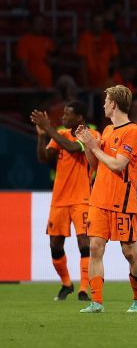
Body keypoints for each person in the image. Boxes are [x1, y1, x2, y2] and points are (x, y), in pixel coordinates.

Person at [76, 86, 137, 313]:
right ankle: (96, 302)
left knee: (129, 252)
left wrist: (95, 147)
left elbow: (117, 164)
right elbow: (95, 164)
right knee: (95, 248)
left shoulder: (132, 132)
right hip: (99, 200)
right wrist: (87, 144)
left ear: (114, 104)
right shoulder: (106, 131)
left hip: (122, 202)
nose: (103, 104)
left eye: (106, 101)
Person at [30, 102, 98, 302]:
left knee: (84, 243)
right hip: (59, 199)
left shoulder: (90, 135)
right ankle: (67, 283)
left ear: (79, 117)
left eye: (67, 115)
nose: (63, 118)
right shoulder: (60, 134)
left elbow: (72, 148)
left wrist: (49, 128)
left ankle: (84, 289)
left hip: (83, 198)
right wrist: (42, 135)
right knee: (55, 245)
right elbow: (44, 158)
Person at [77, 13, 119, 89]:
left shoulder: (108, 37)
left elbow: (115, 59)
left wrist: (113, 79)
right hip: (89, 81)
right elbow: (82, 61)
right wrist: (85, 83)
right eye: (96, 22)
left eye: (100, 22)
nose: (98, 25)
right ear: (91, 23)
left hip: (105, 82)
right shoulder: (85, 37)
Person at [16, 13, 54, 88]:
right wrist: (34, 83)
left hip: (47, 86)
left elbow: (53, 60)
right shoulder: (24, 41)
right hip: (31, 88)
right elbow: (23, 66)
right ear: (30, 24)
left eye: (42, 23)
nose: (41, 25)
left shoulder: (48, 40)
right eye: (38, 23)